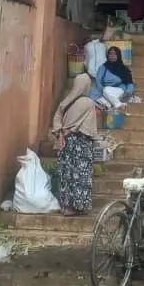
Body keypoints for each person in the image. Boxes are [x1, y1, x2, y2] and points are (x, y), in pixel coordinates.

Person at [51, 74, 100, 216]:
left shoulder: (66, 101)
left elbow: (57, 117)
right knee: (80, 175)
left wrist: (61, 132)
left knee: (67, 173)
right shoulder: (88, 103)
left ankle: (66, 206)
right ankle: (78, 206)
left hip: (66, 142)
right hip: (81, 143)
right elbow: (87, 127)